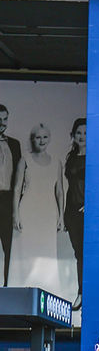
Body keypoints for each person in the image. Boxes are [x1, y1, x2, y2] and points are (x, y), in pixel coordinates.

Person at [12, 123, 62, 293]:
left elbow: (60, 192)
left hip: (48, 212)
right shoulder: (25, 159)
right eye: (38, 137)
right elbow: (17, 188)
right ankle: (21, 293)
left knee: (46, 251)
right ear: (33, 139)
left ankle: (45, 292)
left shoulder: (56, 162)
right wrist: (15, 214)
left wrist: (61, 216)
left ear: (50, 139)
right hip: (28, 210)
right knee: (26, 251)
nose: (41, 140)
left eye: (45, 137)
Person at [62, 117, 86, 305]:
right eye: (79, 132)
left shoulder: (94, 157)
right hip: (71, 211)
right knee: (79, 253)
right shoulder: (71, 157)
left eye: (86, 133)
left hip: (87, 212)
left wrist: (91, 204)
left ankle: (84, 293)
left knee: (86, 254)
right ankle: (81, 293)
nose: (82, 136)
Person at [0, 105, 21, 288]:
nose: (1, 123)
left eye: (5, 119)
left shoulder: (14, 144)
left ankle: (7, 287)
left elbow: (20, 178)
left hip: (7, 200)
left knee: (9, 247)